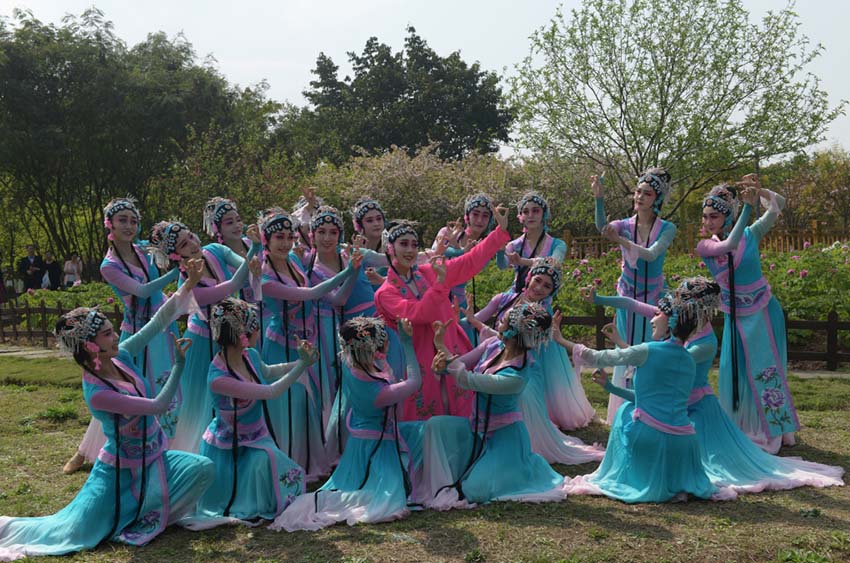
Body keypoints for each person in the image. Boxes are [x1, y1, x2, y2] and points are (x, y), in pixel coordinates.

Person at [0, 260, 213, 559]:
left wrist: (188, 284)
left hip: (154, 459)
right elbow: (157, 406)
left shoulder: (121, 356)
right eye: (108, 335)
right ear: (89, 346)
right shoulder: (98, 393)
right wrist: (179, 365)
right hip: (120, 475)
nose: (116, 338)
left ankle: (152, 517)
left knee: (202, 468)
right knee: (72, 531)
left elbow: (157, 323)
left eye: (114, 332)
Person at [555, 283, 733, 504]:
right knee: (637, 410)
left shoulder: (648, 350)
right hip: (686, 446)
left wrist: (561, 340)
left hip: (653, 439)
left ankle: (636, 472)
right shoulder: (687, 358)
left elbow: (596, 357)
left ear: (672, 321)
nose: (651, 318)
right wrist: (610, 387)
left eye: (657, 314)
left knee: (624, 413)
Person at [64, 198, 182, 474]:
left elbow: (170, 247)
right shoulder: (109, 265)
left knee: (165, 384)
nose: (129, 225)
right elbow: (141, 291)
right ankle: (86, 451)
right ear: (110, 225)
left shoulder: (143, 251)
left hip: (163, 325)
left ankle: (167, 445)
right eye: (122, 220)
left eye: (133, 220)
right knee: (125, 388)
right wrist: (178, 272)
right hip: (138, 331)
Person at [272, 316, 424, 530]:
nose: (390, 342)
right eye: (386, 339)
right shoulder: (379, 392)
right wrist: (407, 342)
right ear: (373, 348)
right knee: (388, 496)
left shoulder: (352, 367)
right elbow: (415, 382)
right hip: (378, 449)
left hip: (360, 444)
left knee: (421, 433)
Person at [181, 298, 316, 528]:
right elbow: (270, 391)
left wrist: (299, 362)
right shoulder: (219, 379)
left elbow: (267, 372)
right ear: (243, 334)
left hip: (257, 436)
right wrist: (302, 366)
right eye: (255, 327)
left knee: (286, 470)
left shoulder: (249, 355)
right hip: (232, 448)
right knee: (271, 463)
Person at [422, 302, 567, 510]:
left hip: (504, 437)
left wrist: (442, 347)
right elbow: (459, 364)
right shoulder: (492, 345)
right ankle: (436, 482)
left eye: (503, 321)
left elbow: (466, 379)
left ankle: (524, 467)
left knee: (474, 490)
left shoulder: (517, 375)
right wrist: (442, 364)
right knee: (435, 425)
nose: (498, 323)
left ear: (513, 330)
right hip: (475, 429)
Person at [374, 205, 511, 421]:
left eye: (413, 244)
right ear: (390, 248)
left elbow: (468, 263)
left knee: (459, 404)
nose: (410, 250)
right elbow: (420, 314)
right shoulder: (386, 293)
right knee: (426, 415)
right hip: (417, 359)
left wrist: (497, 235)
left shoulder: (426, 272)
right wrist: (439, 283)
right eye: (403, 244)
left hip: (450, 345)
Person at [696, 176, 798, 453]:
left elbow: (780, 205)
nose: (708, 222)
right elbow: (728, 246)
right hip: (736, 316)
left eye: (714, 216)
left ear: (727, 216)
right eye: (705, 217)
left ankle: (773, 427)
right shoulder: (706, 247)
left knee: (768, 367)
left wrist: (758, 192)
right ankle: (741, 425)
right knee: (737, 369)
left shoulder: (751, 234)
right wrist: (747, 209)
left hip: (765, 310)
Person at [258, 207, 361, 481]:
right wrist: (349, 270)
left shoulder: (294, 262)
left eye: (288, 236)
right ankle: (287, 466)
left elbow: (332, 298)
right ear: (265, 240)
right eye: (278, 237)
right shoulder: (266, 278)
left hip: (307, 341)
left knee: (307, 404)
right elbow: (311, 293)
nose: (284, 242)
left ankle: (308, 463)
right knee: (288, 405)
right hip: (282, 345)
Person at [466, 257, 602, 464]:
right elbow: (477, 317)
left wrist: (481, 327)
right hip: (495, 357)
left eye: (547, 286)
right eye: (537, 280)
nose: (539, 288)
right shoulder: (503, 299)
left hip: (522, 367)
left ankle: (519, 444)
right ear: (528, 277)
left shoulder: (541, 316)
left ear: (551, 292)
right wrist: (468, 319)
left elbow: (520, 342)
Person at [148, 220, 261, 454]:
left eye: (190, 236)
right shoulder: (187, 285)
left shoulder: (215, 250)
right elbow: (231, 287)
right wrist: (253, 251)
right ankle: (202, 450)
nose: (192, 243)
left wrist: (253, 263)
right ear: (175, 255)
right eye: (183, 244)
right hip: (202, 343)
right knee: (201, 402)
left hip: (230, 338)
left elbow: (243, 266)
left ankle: (235, 445)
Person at [591, 168, 678, 425]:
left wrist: (622, 241)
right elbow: (602, 227)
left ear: (657, 199)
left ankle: (650, 407)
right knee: (624, 345)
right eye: (638, 191)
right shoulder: (625, 225)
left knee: (649, 348)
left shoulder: (667, 228)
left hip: (653, 298)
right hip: (626, 295)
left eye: (647, 193)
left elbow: (651, 254)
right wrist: (599, 198)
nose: (640, 196)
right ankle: (622, 408)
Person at [498, 192, 566, 295]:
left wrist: (522, 261)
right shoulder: (514, 245)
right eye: (525, 211)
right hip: (517, 296)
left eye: (535, 211)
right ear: (521, 217)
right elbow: (502, 265)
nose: (530, 215)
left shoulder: (558, 245)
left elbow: (553, 264)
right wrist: (499, 250)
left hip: (542, 300)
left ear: (544, 214)